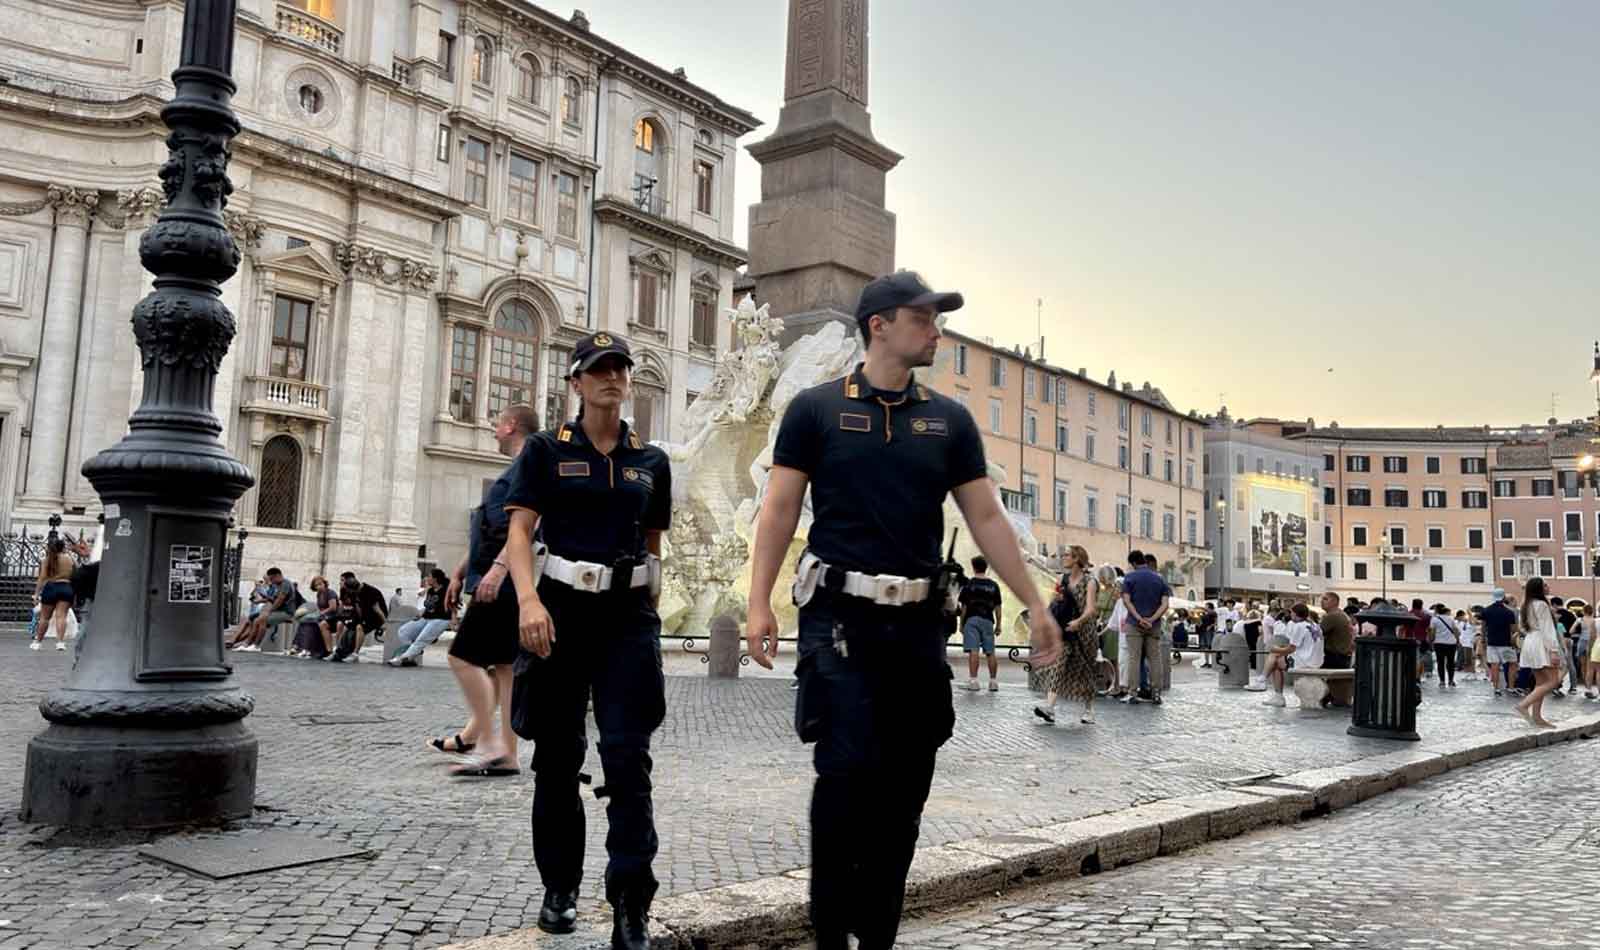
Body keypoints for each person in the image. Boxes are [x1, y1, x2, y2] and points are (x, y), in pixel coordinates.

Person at [744, 271, 1062, 950]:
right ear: (879, 325)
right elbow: (777, 509)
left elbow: (987, 517)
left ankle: (878, 936)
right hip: (840, 623)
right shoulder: (815, 409)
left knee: (905, 790)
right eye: (924, 319)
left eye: (937, 320)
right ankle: (832, 935)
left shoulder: (949, 420)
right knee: (845, 775)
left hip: (919, 628)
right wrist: (758, 603)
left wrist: (1034, 602)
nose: (936, 331)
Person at [502, 332, 672, 950]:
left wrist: (648, 614)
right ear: (576, 382)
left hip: (626, 618)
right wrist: (528, 600)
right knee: (557, 759)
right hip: (558, 613)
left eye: (620, 369)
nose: (612, 378)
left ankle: (632, 904)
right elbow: (519, 532)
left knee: (629, 760)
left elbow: (655, 546)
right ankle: (560, 889)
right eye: (599, 369)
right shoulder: (546, 451)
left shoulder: (650, 462)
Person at [433, 404, 539, 773]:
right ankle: (506, 753)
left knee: (461, 657)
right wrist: (461, 571)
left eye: (497, 424)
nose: (493, 431)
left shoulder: (527, 466)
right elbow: (489, 530)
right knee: (506, 668)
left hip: (501, 584)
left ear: (511, 426)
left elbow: (526, 528)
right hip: (497, 579)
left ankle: (489, 742)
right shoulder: (515, 469)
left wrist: (496, 570)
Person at [1034, 545, 1101, 725]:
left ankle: (1089, 709)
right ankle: (1050, 707)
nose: (1063, 558)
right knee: (1058, 664)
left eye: (1067, 555)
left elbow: (1091, 608)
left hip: (1084, 632)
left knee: (1085, 671)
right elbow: (1056, 601)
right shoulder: (1062, 579)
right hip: (1065, 630)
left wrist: (1079, 622)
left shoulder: (1090, 582)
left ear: (1077, 559)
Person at [1120, 550, 1170, 704]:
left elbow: (1126, 601)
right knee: (1155, 659)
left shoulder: (1129, 577)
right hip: (1154, 625)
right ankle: (1156, 693)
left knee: (1134, 659)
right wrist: (1152, 619)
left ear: (1133, 563)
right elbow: (1165, 604)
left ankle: (1133, 692)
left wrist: (1138, 618)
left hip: (1134, 624)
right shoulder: (1159, 579)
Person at [1514, 577, 1563, 727]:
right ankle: (1523, 705)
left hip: (1530, 641)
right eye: (1545, 585)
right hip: (1542, 642)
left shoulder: (1525, 605)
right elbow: (1547, 629)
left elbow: (1522, 627)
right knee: (1553, 681)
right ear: (1539, 588)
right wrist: (1554, 650)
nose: (1548, 586)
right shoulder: (1542, 604)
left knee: (1540, 683)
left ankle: (1537, 717)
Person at [388, 569, 453, 667]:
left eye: (429, 576)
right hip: (426, 618)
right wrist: (419, 614)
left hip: (440, 619)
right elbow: (428, 607)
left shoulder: (446, 590)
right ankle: (413, 653)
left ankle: (401, 659)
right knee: (403, 631)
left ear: (435, 579)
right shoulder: (430, 590)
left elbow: (453, 604)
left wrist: (455, 620)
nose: (427, 578)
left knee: (421, 640)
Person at [1261, 602, 1321, 706]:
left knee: (1274, 658)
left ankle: (1264, 682)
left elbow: (1291, 649)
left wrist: (1275, 649)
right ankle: (1265, 683)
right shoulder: (1315, 625)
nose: (1290, 615)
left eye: (1292, 613)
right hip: (1316, 661)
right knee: (1276, 658)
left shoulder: (1300, 626)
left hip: (1304, 662)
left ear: (1295, 614)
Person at [956, 556, 1002, 692]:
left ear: (974, 567)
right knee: (990, 652)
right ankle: (993, 682)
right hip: (988, 620)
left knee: (973, 651)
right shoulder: (994, 586)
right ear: (985, 567)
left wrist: (961, 623)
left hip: (972, 620)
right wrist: (998, 625)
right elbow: (998, 607)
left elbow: (964, 607)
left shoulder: (968, 585)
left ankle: (974, 681)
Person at [228, 567, 301, 651]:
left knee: (262, 619)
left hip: (286, 613)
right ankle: (247, 643)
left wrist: (268, 611)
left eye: (272, 579)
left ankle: (256, 645)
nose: (271, 581)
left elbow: (279, 600)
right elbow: (273, 599)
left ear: (278, 575)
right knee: (255, 620)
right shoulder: (279, 584)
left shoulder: (285, 584)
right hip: (279, 611)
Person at [326, 572, 386, 661]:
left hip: (376, 617)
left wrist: (385, 624)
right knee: (348, 627)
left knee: (359, 627)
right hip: (363, 616)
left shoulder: (370, 591)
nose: (349, 593)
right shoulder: (349, 590)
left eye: (342, 580)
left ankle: (355, 654)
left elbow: (378, 610)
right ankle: (339, 653)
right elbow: (355, 608)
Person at [31, 537, 75, 652]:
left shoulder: (47, 560)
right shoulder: (69, 559)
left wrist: (36, 594)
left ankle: (37, 643)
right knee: (62, 617)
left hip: (51, 587)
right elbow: (74, 574)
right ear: (62, 547)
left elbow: (42, 578)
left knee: (44, 618)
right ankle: (60, 642)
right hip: (66, 587)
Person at [1480, 589, 1519, 697]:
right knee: (1513, 664)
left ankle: (1496, 688)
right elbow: (1514, 629)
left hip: (1492, 643)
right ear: (1503, 598)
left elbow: (1483, 627)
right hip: (1506, 643)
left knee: (1494, 666)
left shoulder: (1486, 610)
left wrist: (1483, 639)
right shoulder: (1509, 612)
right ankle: (1510, 687)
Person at [290, 576, 335, 658]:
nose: (319, 587)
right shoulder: (319, 594)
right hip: (322, 615)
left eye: (320, 584)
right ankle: (298, 646)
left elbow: (333, 607)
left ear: (324, 584)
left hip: (331, 615)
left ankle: (304, 647)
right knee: (304, 621)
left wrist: (321, 613)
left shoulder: (330, 593)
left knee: (310, 622)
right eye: (316, 585)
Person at [1429, 603, 1461, 688]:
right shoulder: (1451, 619)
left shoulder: (1434, 619)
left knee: (1440, 663)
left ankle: (1442, 681)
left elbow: (1432, 633)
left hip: (1439, 643)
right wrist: (1458, 641)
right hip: (1451, 644)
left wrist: (1431, 641)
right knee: (1451, 663)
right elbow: (1456, 631)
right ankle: (1451, 681)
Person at [1455, 610, 1478, 682]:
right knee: (1465, 659)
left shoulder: (1471, 623)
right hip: (1462, 643)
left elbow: (1473, 622)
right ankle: (1467, 673)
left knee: (1468, 659)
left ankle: (1471, 674)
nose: (1463, 619)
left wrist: (1470, 614)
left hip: (1468, 643)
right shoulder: (1461, 623)